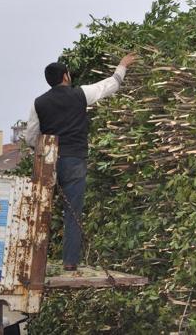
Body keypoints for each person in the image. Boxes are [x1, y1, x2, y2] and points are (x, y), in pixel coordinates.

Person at [25, 53, 137, 271]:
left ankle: (33, 261)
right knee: (72, 212)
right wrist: (122, 66)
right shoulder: (80, 94)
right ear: (66, 76)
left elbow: (31, 137)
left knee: (40, 210)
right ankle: (70, 262)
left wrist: (41, 152)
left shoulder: (38, 103)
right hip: (75, 160)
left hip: (48, 161)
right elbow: (110, 85)